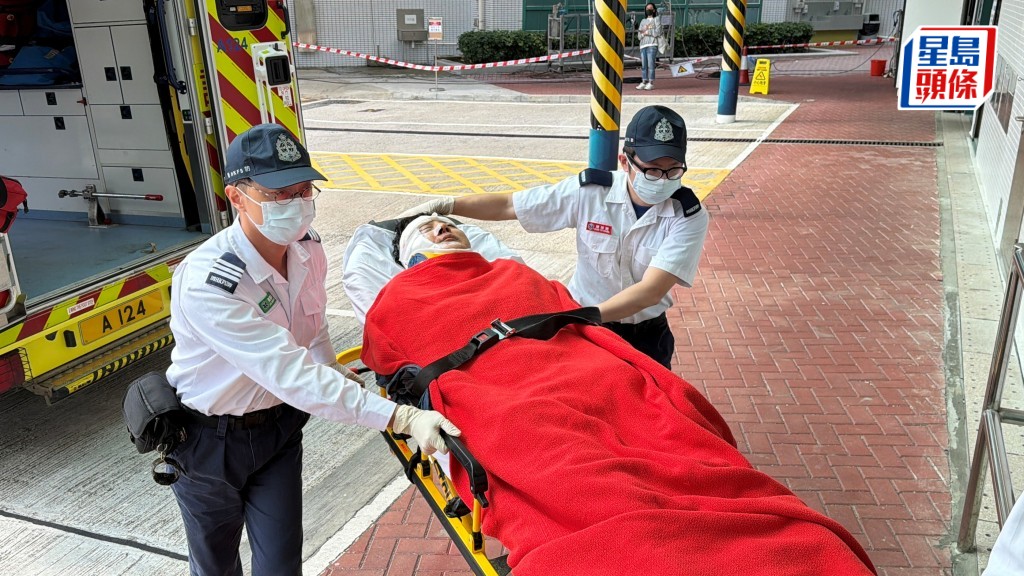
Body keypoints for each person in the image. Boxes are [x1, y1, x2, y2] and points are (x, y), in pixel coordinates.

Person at [354, 219, 877, 576]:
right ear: (409, 259)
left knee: (659, 418)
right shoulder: (397, 296)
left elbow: (565, 314)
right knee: (551, 452)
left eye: (449, 226)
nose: (443, 229)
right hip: (500, 391)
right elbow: (390, 356)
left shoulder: (514, 273)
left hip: (585, 370)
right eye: (428, 231)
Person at [164, 123, 460, 576]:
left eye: (305, 190)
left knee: (281, 565)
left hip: (278, 430)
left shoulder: (307, 249)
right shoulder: (211, 281)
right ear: (237, 197)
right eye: (280, 194)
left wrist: (327, 362)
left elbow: (312, 320)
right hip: (209, 441)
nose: (298, 204)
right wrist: (402, 417)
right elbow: (291, 375)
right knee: (215, 564)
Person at [399, 105, 708, 370]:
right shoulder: (589, 193)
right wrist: (449, 204)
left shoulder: (688, 215)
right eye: (652, 170)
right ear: (625, 162)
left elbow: (651, 291)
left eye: (673, 171)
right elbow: (511, 205)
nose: (663, 180)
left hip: (642, 334)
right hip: (586, 328)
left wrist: (573, 317)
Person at [636, 3, 661, 91]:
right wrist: (644, 33)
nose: (648, 10)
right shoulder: (643, 21)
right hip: (643, 45)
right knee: (644, 65)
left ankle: (651, 82)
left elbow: (657, 32)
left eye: (650, 8)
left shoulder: (656, 19)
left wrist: (646, 32)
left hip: (652, 45)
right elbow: (639, 35)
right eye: (647, 8)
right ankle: (644, 81)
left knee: (650, 64)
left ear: (654, 10)